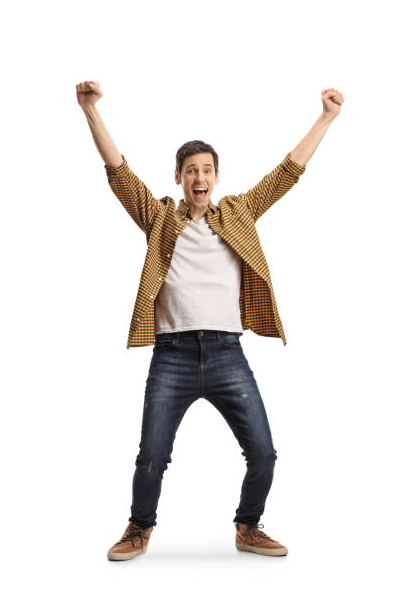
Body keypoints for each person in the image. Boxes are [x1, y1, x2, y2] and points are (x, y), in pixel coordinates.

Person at [77, 81, 344, 560]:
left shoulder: (240, 212)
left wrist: (325, 117)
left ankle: (248, 526)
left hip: (226, 354)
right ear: (179, 177)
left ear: (215, 177)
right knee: (152, 457)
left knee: (263, 452)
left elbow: (287, 173)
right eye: (190, 170)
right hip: (172, 356)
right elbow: (119, 172)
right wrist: (90, 110)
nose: (199, 177)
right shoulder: (159, 218)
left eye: (207, 170)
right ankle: (139, 528)